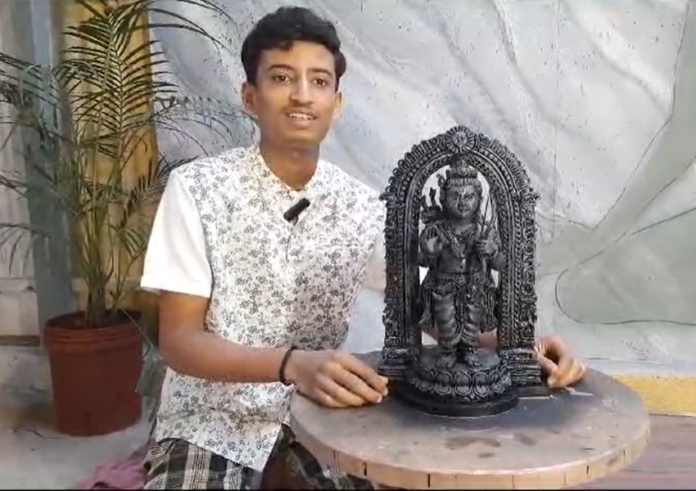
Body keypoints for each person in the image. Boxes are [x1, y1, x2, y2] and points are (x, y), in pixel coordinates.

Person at [139, 6, 586, 490]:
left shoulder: (361, 207)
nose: (302, 94)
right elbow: (180, 341)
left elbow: (427, 308)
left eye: (319, 81)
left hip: (326, 409)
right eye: (282, 78)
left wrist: (521, 343)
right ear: (250, 96)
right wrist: (291, 364)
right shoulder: (198, 189)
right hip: (214, 416)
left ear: (336, 103)